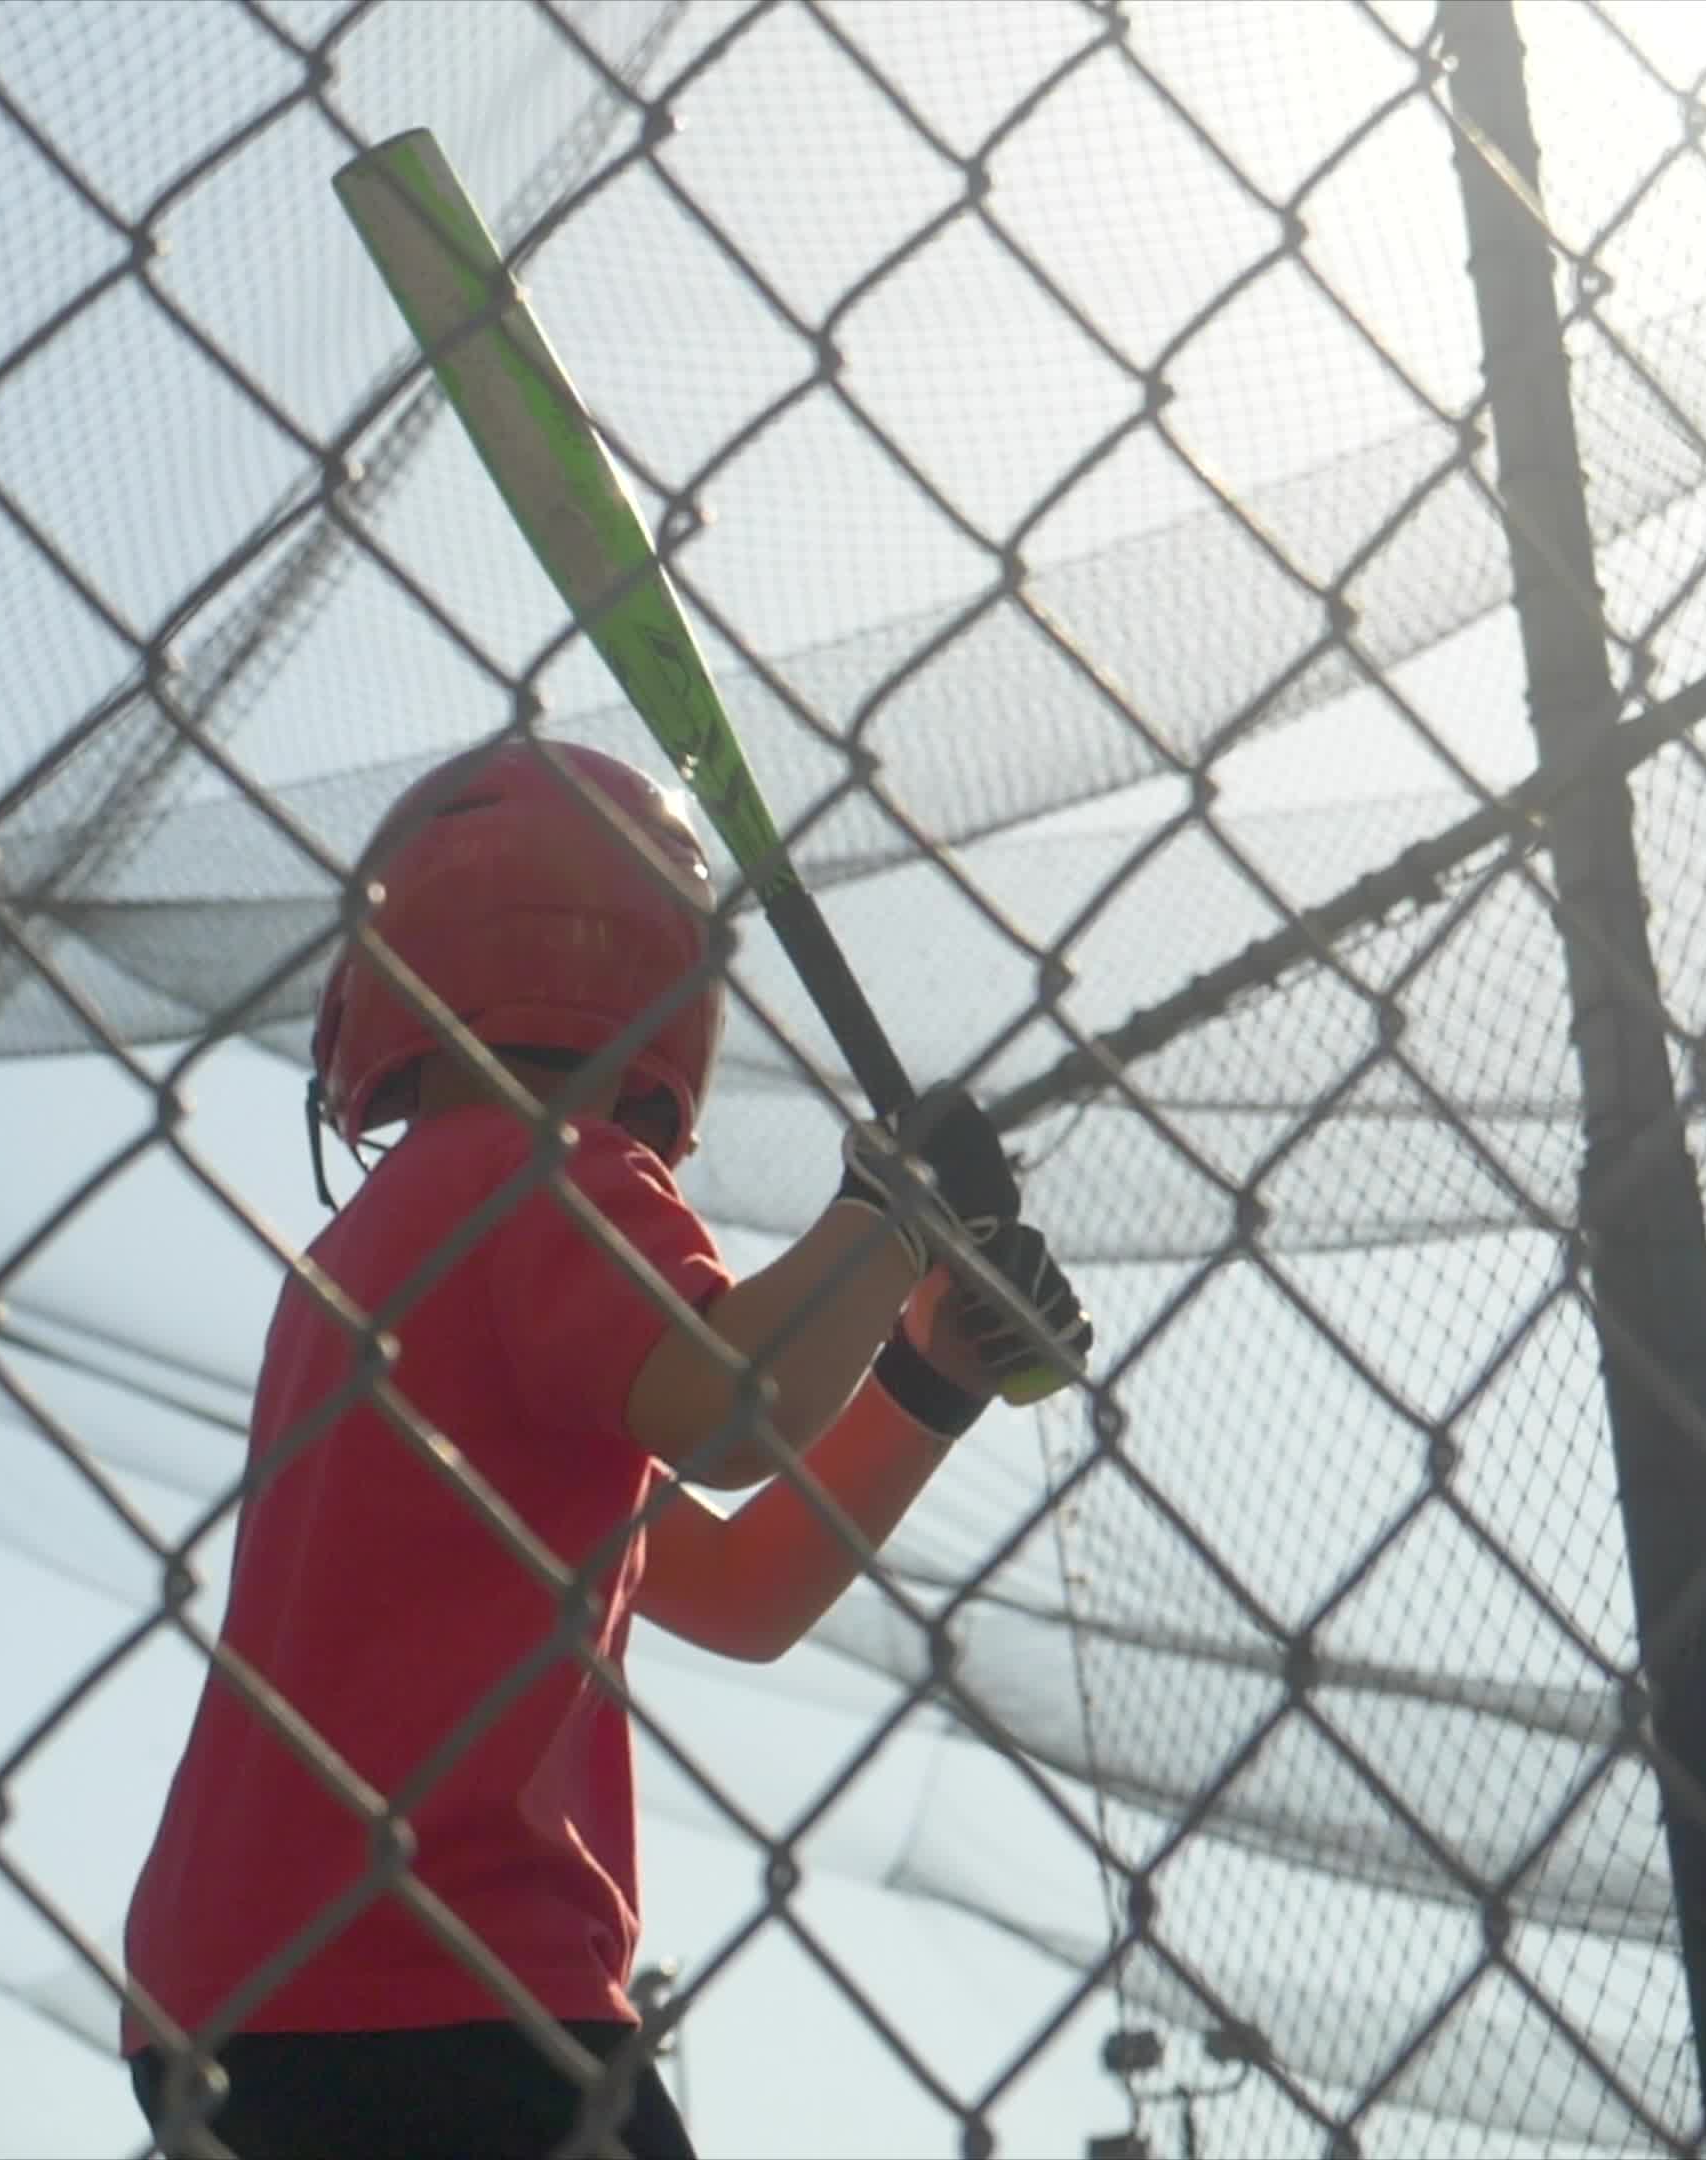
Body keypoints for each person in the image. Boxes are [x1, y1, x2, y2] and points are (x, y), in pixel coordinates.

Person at [120, 736, 1092, 2160]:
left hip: (233, 2002)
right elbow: (732, 1413)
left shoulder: (385, 1253)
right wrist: (891, 1218)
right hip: (447, 1973)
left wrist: (921, 1378)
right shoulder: (547, 1170)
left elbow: (734, 1586)